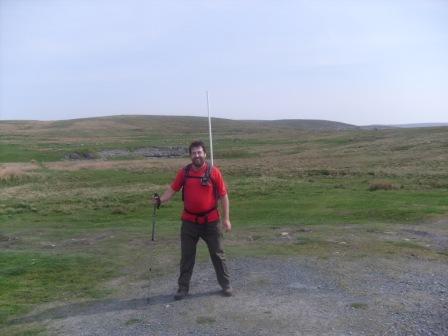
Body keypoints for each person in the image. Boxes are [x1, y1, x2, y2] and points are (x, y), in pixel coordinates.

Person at [153, 140, 232, 300]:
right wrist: (160, 200)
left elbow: (223, 196)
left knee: (218, 254)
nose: (197, 155)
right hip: (189, 222)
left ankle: (226, 285)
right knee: (187, 256)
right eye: (194, 153)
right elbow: (173, 189)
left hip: (211, 222)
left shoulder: (214, 172)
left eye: (199, 152)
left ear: (204, 154)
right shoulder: (184, 172)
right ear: (190, 155)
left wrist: (226, 219)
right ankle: (182, 289)